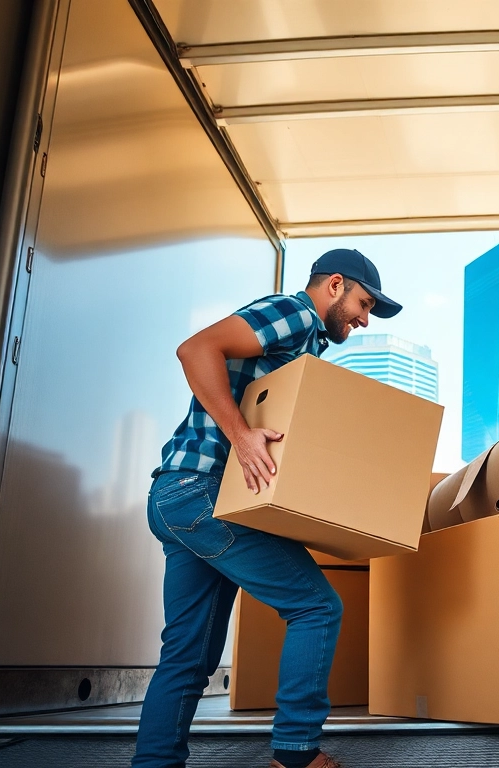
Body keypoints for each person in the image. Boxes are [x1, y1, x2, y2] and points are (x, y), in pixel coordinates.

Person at [134, 249, 401, 768]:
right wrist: (241, 437)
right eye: (363, 303)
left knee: (187, 657)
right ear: (334, 285)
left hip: (178, 496)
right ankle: (296, 752)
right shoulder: (296, 313)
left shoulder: (308, 348)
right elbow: (195, 350)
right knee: (317, 607)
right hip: (202, 491)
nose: (364, 319)